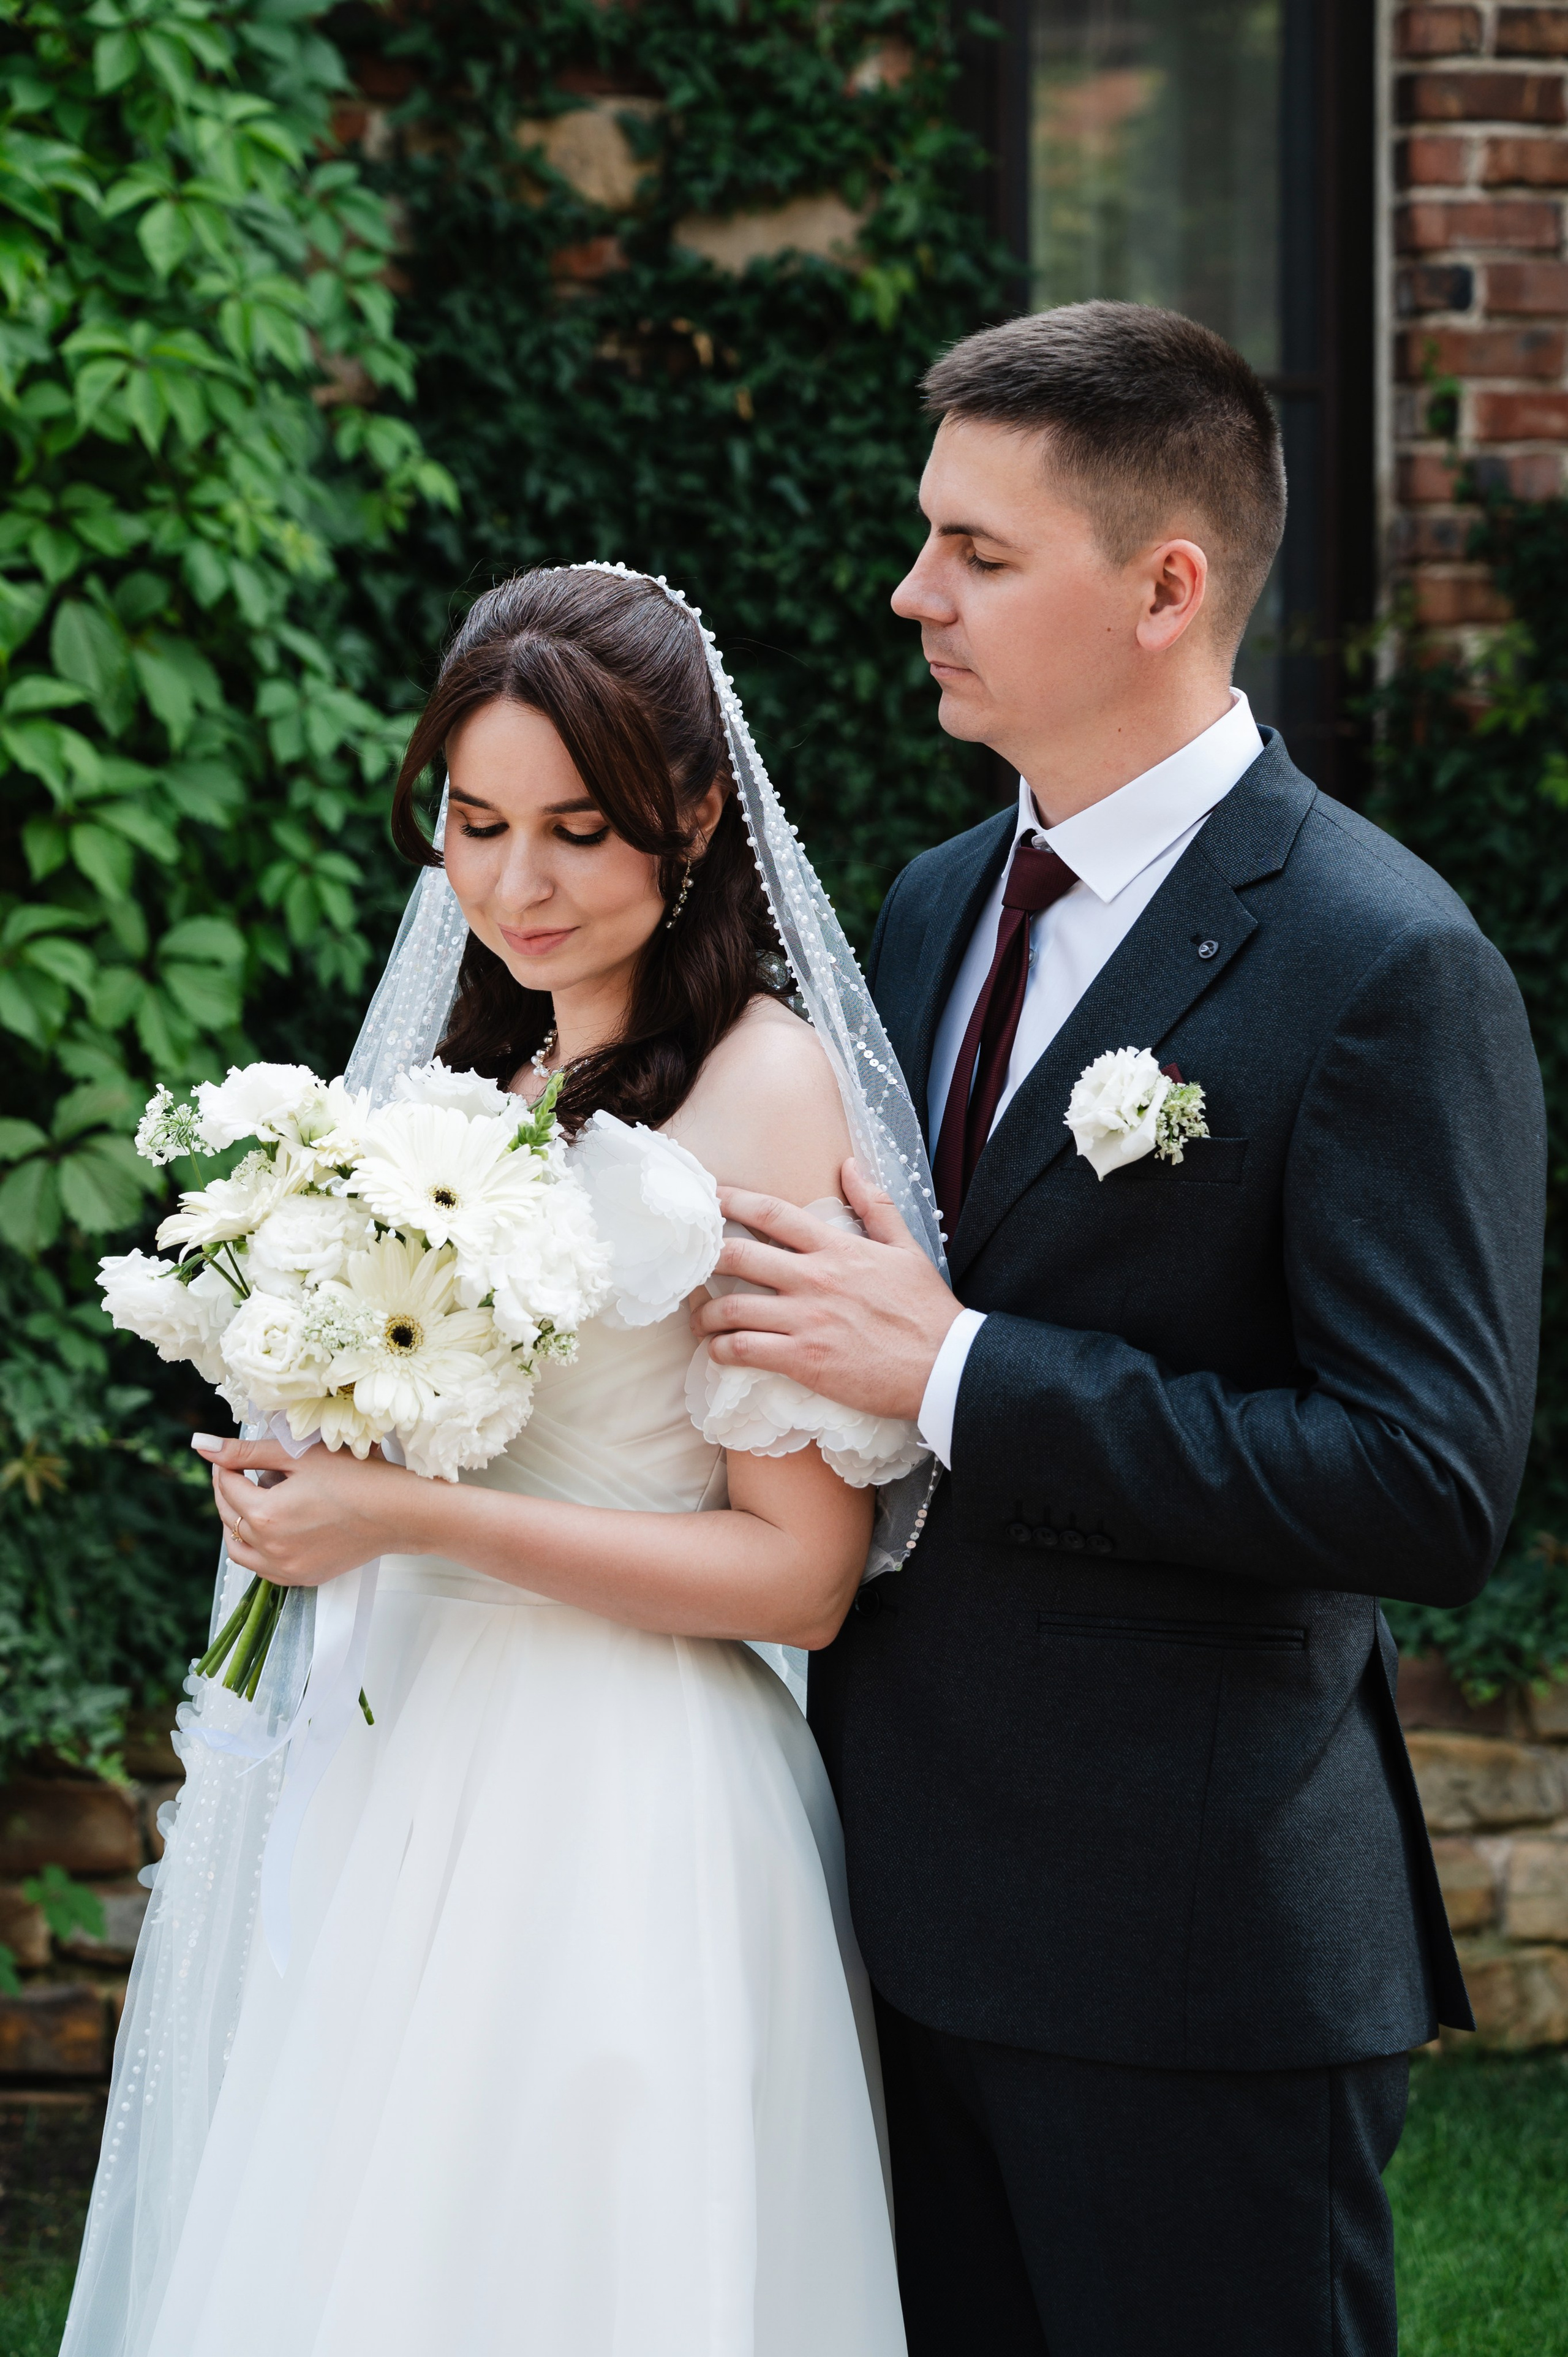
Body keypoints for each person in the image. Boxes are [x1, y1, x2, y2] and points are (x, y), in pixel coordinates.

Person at [690, 301, 1547, 2357]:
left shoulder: (1383, 963)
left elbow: (1425, 1485)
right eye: (928, 539)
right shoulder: (925, 905)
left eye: (979, 553)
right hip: (892, 1912)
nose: (915, 594)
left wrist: (960, 1370)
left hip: (1190, 1953)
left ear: (1167, 587)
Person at [60, 566, 930, 2357]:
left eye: (577, 832)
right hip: (408, 1754)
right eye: (473, 823)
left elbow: (801, 1576)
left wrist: (408, 1511)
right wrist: (315, 1447)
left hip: (624, 1800)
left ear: (692, 815)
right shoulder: (486, 1067)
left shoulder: (762, 1092)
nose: (512, 886)